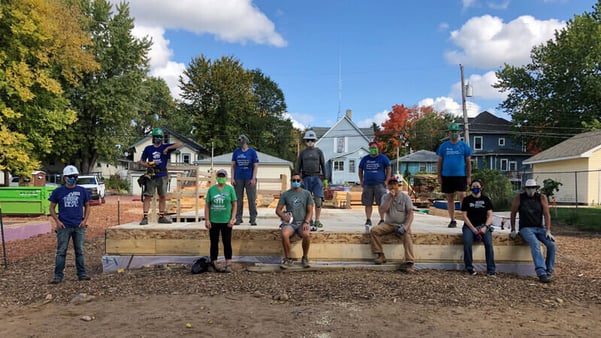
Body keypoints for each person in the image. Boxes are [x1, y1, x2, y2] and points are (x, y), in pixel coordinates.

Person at [48, 165, 91, 284]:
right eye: (70, 177)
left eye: (75, 176)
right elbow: (51, 207)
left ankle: (82, 274)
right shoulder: (58, 191)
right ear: (65, 178)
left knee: (80, 251)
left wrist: (84, 221)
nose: (73, 179)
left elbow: (87, 205)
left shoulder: (82, 191)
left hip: (79, 226)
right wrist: (57, 221)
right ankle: (58, 276)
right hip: (64, 226)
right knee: (61, 251)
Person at [510, 179, 556, 283]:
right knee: (535, 243)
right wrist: (513, 229)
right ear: (525, 189)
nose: (530, 190)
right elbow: (513, 213)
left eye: (533, 188)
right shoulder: (519, 198)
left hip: (539, 227)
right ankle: (541, 272)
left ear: (536, 188)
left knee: (552, 245)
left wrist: (548, 230)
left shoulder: (541, 198)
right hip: (525, 228)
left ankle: (549, 271)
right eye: (528, 188)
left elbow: (547, 214)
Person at [369, 177, 415, 273]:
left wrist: (406, 226)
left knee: (407, 236)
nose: (393, 186)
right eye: (391, 184)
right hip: (389, 224)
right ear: (388, 186)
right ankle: (380, 255)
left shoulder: (405, 197)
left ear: (398, 185)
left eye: (395, 184)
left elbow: (411, 213)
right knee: (374, 230)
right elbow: (382, 210)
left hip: (402, 224)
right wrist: (390, 197)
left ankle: (409, 262)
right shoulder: (385, 197)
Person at [139, 127, 182, 225]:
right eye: (156, 137)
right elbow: (141, 161)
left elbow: (180, 144)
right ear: (153, 137)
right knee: (147, 196)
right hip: (151, 174)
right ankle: (145, 217)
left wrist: (168, 148)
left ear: (162, 138)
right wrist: (148, 164)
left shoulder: (164, 147)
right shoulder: (148, 149)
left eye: (160, 137)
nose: (158, 138)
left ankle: (161, 217)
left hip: (162, 175)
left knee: (162, 196)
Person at [436, 122, 472, 228]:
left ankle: (466, 220)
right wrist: (439, 176)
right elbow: (439, 162)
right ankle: (452, 220)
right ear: (448, 132)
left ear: (458, 132)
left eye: (455, 131)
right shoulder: (443, 146)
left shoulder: (464, 146)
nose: (453, 133)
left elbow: (468, 162)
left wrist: (469, 176)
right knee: (450, 198)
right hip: (447, 176)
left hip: (460, 175)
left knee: (462, 196)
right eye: (452, 131)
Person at [275, 172, 314, 269]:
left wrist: (306, 222)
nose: (296, 182)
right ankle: (288, 259)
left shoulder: (307, 194)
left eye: (298, 180)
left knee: (306, 234)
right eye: (293, 180)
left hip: (302, 222)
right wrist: (284, 216)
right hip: (290, 223)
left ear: (301, 181)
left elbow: (310, 211)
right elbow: (278, 210)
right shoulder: (286, 194)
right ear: (291, 181)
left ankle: (305, 257)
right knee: (284, 234)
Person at [205, 169, 237, 273]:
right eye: (219, 176)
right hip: (214, 220)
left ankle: (228, 263)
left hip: (226, 220)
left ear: (226, 177)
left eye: (223, 176)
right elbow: (207, 205)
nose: (221, 178)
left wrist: (232, 219)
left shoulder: (230, 189)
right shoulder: (211, 190)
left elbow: (234, 204)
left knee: (227, 242)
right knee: (214, 242)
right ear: (216, 177)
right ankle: (214, 262)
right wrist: (207, 219)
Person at [461, 179, 495, 276]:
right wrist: (472, 229)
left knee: (489, 244)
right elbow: (464, 216)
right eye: (473, 186)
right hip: (469, 226)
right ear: (470, 188)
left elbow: (490, 215)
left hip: (483, 226)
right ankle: (469, 267)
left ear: (481, 187)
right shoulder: (467, 200)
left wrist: (485, 227)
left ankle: (491, 269)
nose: (475, 188)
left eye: (477, 186)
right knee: (467, 243)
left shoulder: (486, 199)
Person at [296, 130, 326, 231]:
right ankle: (309, 219)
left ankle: (317, 220)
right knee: (307, 201)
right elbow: (298, 166)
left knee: (318, 200)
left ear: (315, 140)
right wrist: (298, 178)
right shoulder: (303, 153)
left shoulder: (319, 152)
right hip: (305, 178)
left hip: (317, 178)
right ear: (305, 141)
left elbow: (323, 165)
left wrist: (325, 179)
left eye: (312, 140)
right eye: (308, 140)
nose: (310, 141)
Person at [359, 140, 391, 232]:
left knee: (381, 203)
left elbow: (389, 168)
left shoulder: (383, 158)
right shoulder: (365, 159)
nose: (373, 149)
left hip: (380, 184)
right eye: (371, 148)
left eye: (375, 148)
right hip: (367, 184)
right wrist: (361, 180)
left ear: (378, 149)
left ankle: (382, 219)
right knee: (368, 203)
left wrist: (387, 180)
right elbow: (360, 169)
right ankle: (368, 220)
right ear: (369, 149)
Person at [231, 134, 259, 225]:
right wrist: (232, 178)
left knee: (251, 199)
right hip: (238, 178)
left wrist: (253, 178)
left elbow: (255, 166)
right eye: (238, 140)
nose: (239, 141)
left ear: (245, 140)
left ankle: (253, 218)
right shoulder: (236, 152)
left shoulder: (252, 152)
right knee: (238, 199)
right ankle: (238, 218)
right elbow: (233, 166)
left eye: (241, 139)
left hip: (249, 178)